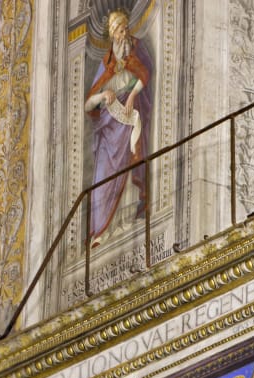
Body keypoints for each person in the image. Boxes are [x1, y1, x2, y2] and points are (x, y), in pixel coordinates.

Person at [84, 9, 153, 247]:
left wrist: (132, 96)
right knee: (104, 176)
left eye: (125, 29)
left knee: (128, 165)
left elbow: (145, 74)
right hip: (108, 130)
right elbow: (88, 103)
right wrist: (104, 93)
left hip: (127, 120)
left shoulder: (136, 51)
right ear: (112, 34)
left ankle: (125, 221)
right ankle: (101, 231)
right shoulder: (106, 65)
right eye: (120, 30)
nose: (124, 34)